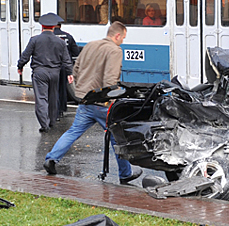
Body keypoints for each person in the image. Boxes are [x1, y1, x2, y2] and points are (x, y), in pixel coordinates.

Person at [43, 21, 142, 185]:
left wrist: (81, 92)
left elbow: (76, 69)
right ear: (117, 35)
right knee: (118, 137)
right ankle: (125, 173)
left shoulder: (90, 45)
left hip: (85, 99)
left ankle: (52, 158)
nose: (122, 41)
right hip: (102, 103)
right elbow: (110, 80)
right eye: (123, 38)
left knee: (73, 131)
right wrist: (112, 101)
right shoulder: (114, 50)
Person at [17, 12, 73, 133]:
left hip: (40, 72)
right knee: (53, 97)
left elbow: (25, 56)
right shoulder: (61, 42)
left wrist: (20, 66)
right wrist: (70, 73)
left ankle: (44, 124)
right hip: (55, 73)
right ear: (54, 26)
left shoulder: (35, 40)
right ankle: (52, 121)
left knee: (42, 98)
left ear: (42, 26)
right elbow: (66, 60)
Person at [52, 20, 81, 117]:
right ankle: (61, 109)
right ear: (60, 25)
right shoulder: (68, 36)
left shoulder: (49, 37)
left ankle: (52, 110)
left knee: (52, 89)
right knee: (62, 88)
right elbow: (75, 52)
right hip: (64, 67)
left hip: (51, 67)